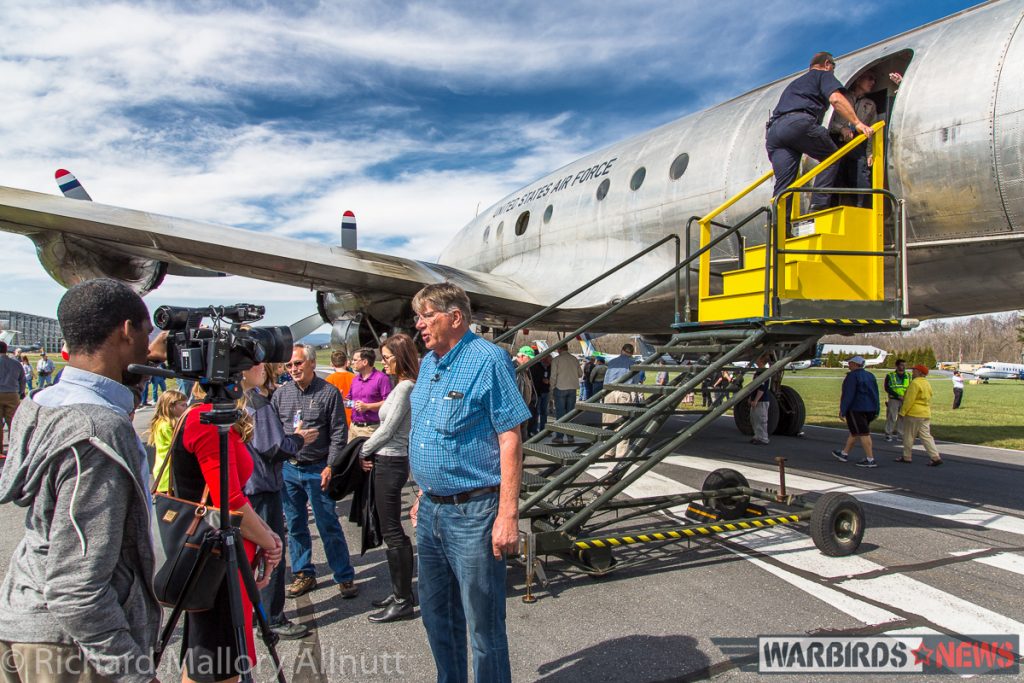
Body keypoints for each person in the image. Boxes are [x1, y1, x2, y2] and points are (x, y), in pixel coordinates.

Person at [0, 278, 162, 682]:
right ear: (127, 330)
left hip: (24, 612)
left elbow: (105, 395)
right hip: (68, 646)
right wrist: (134, 672)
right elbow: (77, 589)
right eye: (146, 334)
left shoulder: (42, 404)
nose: (149, 346)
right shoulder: (98, 430)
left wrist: (144, 370)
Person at [408, 282, 530, 683]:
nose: (419, 324)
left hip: (474, 512)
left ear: (455, 317)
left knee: (483, 625)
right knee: (436, 616)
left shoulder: (488, 360)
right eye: (418, 317)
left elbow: (510, 438)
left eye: (427, 316)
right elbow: (428, 432)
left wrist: (507, 516)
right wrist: (423, 492)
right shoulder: (429, 363)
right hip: (431, 512)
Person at [172, 386, 283, 681]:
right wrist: (269, 541)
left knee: (208, 657)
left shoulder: (212, 417)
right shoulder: (205, 421)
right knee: (217, 664)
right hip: (218, 560)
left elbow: (236, 498)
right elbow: (228, 501)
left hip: (224, 554)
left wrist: (267, 532)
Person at [272, 343, 357, 599]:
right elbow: (275, 432)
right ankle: (304, 573)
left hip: (318, 468)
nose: (294, 369)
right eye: (289, 365)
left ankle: (344, 576)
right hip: (289, 469)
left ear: (311, 363)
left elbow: (338, 433)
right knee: (296, 524)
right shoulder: (281, 395)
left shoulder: (328, 393)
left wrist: (331, 466)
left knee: (327, 523)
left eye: (298, 363)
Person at [240, 362, 317, 640]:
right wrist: (298, 439)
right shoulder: (258, 403)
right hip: (261, 487)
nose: (263, 367)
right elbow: (272, 447)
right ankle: (272, 618)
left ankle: (251, 612)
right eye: (256, 362)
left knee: (248, 556)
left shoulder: (233, 400)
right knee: (271, 550)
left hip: (242, 489)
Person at [766, 51, 875, 213]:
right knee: (832, 156)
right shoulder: (823, 75)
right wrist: (857, 123)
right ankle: (818, 207)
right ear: (827, 65)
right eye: (833, 68)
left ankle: (780, 229)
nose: (832, 71)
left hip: (774, 132)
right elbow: (835, 99)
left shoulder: (795, 84)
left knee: (785, 186)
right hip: (798, 123)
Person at [358, 333, 419, 623]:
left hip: (391, 461)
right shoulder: (401, 386)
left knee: (392, 529)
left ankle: (403, 599)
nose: (384, 363)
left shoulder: (405, 387)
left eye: (388, 358)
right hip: (389, 459)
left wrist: (362, 450)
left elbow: (388, 429)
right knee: (389, 527)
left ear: (401, 357)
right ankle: (401, 591)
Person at [831, 355, 881, 468]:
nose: (848, 365)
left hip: (857, 408)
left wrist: (843, 410)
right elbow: (876, 393)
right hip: (870, 408)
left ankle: (870, 459)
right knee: (855, 432)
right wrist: (877, 408)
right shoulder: (870, 375)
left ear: (854, 364)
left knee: (863, 433)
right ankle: (844, 453)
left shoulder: (852, 377)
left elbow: (848, 394)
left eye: (850, 363)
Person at [896, 365, 944, 466]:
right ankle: (935, 456)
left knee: (909, 435)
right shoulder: (926, 383)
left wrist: (902, 412)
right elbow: (930, 395)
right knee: (926, 436)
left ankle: (907, 456)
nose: (912, 372)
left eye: (915, 370)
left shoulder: (915, 383)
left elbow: (909, 400)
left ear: (920, 372)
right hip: (925, 412)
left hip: (914, 413)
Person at [602, 344, 644, 457]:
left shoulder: (611, 362)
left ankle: (608, 451)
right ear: (632, 352)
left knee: (608, 422)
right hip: (624, 393)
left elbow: (606, 380)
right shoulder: (633, 364)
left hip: (610, 392)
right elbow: (635, 383)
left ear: (622, 350)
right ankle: (621, 453)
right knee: (623, 424)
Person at [146, 388, 187, 493]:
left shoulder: (161, 423)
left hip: (165, 470)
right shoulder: (166, 426)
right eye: (182, 405)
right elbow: (178, 445)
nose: (186, 408)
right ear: (170, 407)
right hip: (168, 473)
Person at [348, 347, 392, 440]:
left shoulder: (382, 378)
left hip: (371, 429)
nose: (352, 362)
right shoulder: (355, 379)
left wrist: (367, 407)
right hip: (353, 428)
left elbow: (389, 403)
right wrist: (342, 401)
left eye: (355, 360)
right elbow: (351, 402)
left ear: (365, 362)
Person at [550, 348, 582, 444]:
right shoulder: (574, 359)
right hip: (572, 388)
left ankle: (559, 437)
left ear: (559, 349)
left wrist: (552, 387)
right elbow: (580, 374)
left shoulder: (556, 360)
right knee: (570, 413)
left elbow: (553, 376)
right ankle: (570, 436)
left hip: (560, 388)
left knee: (560, 413)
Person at [0, 342, 26, 455]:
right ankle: (14, 450)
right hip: (12, 394)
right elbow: (22, 379)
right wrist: (20, 392)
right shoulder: (16, 363)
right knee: (13, 423)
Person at [325, 349, 355, 426]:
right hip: (354, 417)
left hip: (337, 418)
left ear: (332, 364)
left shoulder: (328, 380)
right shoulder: (355, 378)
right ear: (346, 362)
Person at [748, 354, 773, 446]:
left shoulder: (763, 373)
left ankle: (763, 438)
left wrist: (756, 400)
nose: (756, 360)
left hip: (761, 400)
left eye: (757, 358)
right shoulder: (758, 372)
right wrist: (751, 397)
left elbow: (762, 388)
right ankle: (757, 436)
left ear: (761, 360)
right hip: (756, 399)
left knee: (761, 419)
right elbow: (754, 387)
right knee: (754, 419)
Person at [514, 347, 538, 439]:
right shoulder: (514, 368)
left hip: (524, 408)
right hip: (517, 410)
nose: (531, 362)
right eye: (530, 359)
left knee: (523, 435)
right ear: (522, 356)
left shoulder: (525, 370)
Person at [884, 359, 910, 442]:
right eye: (902, 365)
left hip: (905, 399)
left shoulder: (908, 375)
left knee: (902, 417)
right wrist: (897, 395)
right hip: (894, 399)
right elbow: (887, 388)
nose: (903, 367)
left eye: (904, 365)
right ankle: (888, 433)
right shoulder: (890, 375)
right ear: (897, 365)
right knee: (892, 416)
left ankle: (900, 434)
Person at [527, 354, 551, 436]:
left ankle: (543, 429)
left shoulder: (550, 367)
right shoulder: (535, 366)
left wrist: (549, 381)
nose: (549, 362)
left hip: (546, 391)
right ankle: (534, 430)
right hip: (537, 392)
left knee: (544, 411)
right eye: (547, 360)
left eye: (549, 361)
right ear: (543, 359)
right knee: (535, 412)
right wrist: (542, 380)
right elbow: (533, 380)